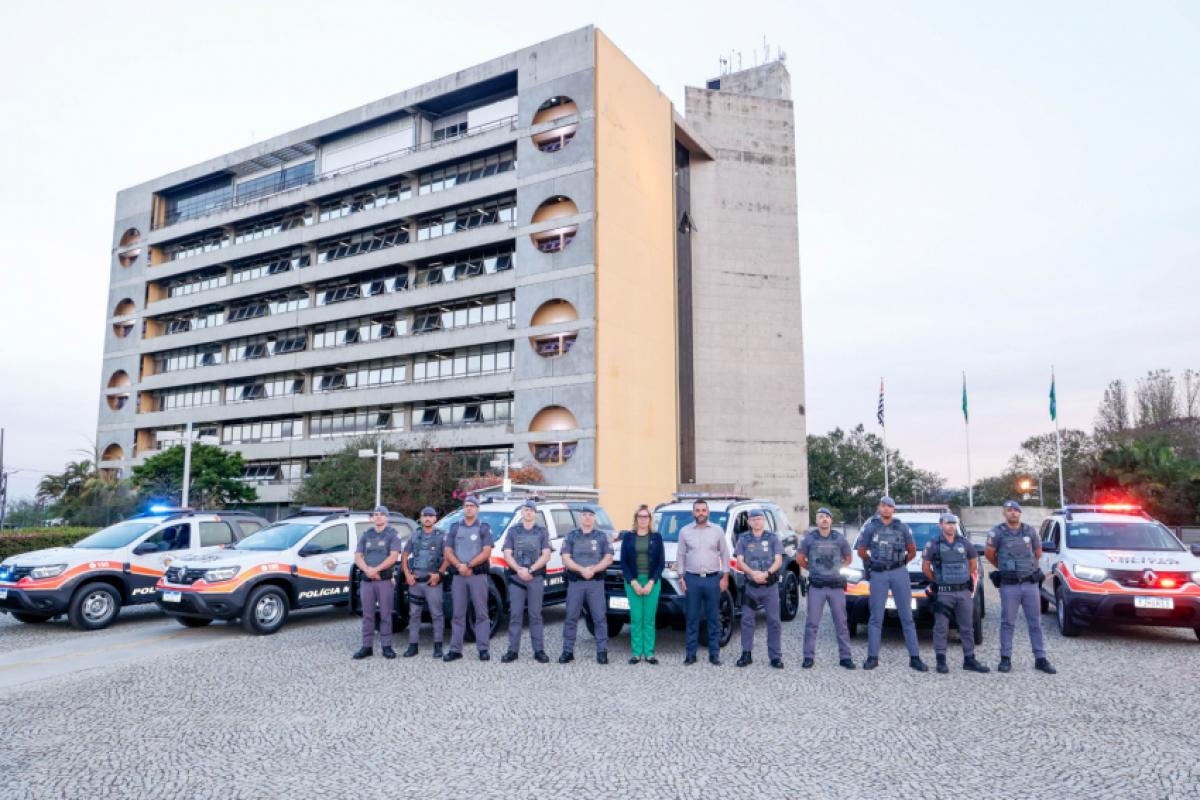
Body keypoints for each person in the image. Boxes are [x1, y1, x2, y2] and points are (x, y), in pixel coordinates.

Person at [855, 496, 928, 672]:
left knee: (907, 616)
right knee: (875, 617)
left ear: (894, 509)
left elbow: (911, 551)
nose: (886, 509)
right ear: (879, 507)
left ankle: (915, 658)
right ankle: (872, 657)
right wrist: (871, 563)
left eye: (890, 506)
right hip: (879, 573)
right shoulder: (871, 527)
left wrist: (900, 564)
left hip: (898, 572)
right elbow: (861, 551)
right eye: (883, 505)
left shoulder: (902, 527)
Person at [985, 500, 1056, 674]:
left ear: (1020, 513)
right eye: (1009, 510)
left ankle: (1040, 658)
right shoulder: (997, 532)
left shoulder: (1030, 530)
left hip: (1030, 584)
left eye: (1016, 510)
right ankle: (1005, 659)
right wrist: (1004, 568)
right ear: (1004, 513)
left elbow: (1037, 553)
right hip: (1009, 585)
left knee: (1035, 623)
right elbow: (989, 554)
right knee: (1007, 623)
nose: (1013, 513)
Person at [922, 512, 989, 674]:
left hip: (963, 592)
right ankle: (941, 661)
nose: (951, 526)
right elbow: (926, 568)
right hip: (944, 593)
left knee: (967, 627)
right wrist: (939, 581)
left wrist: (963, 579)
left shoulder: (965, 543)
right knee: (941, 628)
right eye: (947, 523)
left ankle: (969, 659)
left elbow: (973, 564)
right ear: (941, 525)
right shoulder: (933, 544)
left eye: (953, 523)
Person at [797, 507, 855, 669]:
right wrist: (813, 569)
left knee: (841, 623)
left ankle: (845, 657)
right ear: (816, 521)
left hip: (836, 586)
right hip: (817, 586)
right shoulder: (809, 538)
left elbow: (849, 558)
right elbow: (800, 558)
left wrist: (836, 568)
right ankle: (808, 657)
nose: (824, 519)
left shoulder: (839, 538)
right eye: (821, 516)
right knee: (812, 623)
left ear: (831, 520)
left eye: (827, 517)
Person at [677, 498, 731, 666]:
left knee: (713, 618)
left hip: (713, 579)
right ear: (693, 513)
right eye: (697, 510)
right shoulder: (684, 531)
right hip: (691, 579)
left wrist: (725, 576)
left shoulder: (717, 531)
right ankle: (690, 654)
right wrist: (680, 576)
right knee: (692, 618)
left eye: (703, 510)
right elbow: (680, 555)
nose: (700, 513)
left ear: (708, 512)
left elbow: (724, 554)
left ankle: (714, 654)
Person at [559, 506, 614, 664]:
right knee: (571, 617)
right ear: (580, 517)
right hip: (576, 582)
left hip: (595, 583)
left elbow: (608, 558)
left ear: (594, 518)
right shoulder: (571, 536)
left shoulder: (602, 537)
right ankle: (567, 651)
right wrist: (582, 570)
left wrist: (593, 570)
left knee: (599, 617)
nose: (587, 518)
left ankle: (602, 651)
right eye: (584, 515)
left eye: (590, 515)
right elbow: (565, 558)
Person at [442, 495, 494, 662]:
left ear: (477, 509)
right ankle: (456, 650)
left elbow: (486, 551)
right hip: (459, 576)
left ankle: (483, 649)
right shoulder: (455, 528)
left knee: (481, 613)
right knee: (457, 614)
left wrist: (469, 565)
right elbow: (448, 551)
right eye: (466, 505)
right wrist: (459, 566)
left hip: (476, 576)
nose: (469, 508)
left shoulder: (483, 528)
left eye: (472, 505)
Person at [500, 499, 552, 664]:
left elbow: (546, 555)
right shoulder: (513, 531)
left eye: (531, 510)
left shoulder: (542, 532)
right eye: (525, 510)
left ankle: (539, 651)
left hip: (535, 578)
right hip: (517, 579)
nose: (528, 512)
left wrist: (530, 570)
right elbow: (507, 553)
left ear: (535, 513)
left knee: (535, 615)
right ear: (521, 513)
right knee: (515, 615)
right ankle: (512, 651)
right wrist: (519, 570)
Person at [734, 509, 784, 669]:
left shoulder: (773, 538)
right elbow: (740, 561)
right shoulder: (743, 539)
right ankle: (746, 654)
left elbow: (778, 560)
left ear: (763, 521)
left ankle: (775, 657)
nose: (756, 521)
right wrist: (752, 573)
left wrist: (767, 573)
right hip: (751, 587)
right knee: (747, 621)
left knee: (774, 622)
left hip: (770, 587)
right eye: (753, 519)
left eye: (759, 519)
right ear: (749, 522)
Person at [352, 506, 403, 660]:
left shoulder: (392, 535)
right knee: (367, 615)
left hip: (384, 580)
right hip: (367, 580)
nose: (379, 517)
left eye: (382, 515)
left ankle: (386, 647)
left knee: (386, 615)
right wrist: (368, 570)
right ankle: (366, 647)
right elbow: (358, 556)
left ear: (387, 518)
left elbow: (393, 557)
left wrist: (376, 570)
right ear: (373, 518)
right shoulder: (366, 535)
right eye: (376, 514)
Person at [619, 505, 665, 664]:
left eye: (646, 516)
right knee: (636, 618)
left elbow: (661, 563)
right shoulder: (628, 537)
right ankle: (637, 653)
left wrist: (651, 582)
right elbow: (623, 562)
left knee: (649, 619)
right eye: (640, 516)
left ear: (650, 519)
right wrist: (633, 582)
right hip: (633, 582)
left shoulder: (657, 537)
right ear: (636, 518)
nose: (643, 519)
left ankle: (650, 653)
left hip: (652, 582)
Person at [401, 506, 446, 659]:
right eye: (424, 516)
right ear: (420, 518)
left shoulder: (441, 536)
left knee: (437, 614)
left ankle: (438, 646)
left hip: (432, 583)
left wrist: (439, 574)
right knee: (414, 615)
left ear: (435, 519)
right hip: (416, 582)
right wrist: (407, 574)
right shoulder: (415, 535)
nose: (427, 518)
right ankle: (413, 646)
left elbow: (448, 557)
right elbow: (405, 556)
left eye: (430, 516)